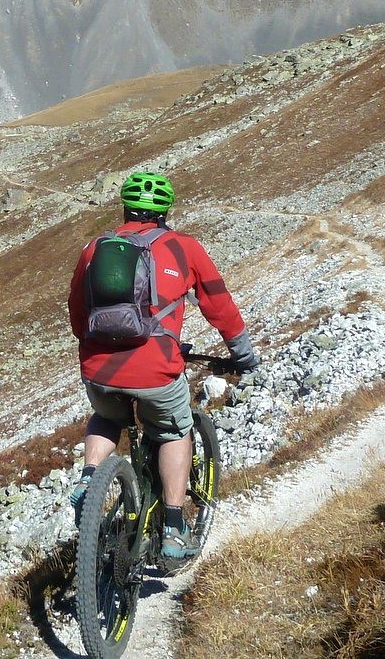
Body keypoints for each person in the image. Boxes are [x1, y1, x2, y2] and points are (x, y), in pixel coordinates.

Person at [67, 170, 258, 560]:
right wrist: (243, 355)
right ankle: (172, 526)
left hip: (98, 371)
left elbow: (77, 313)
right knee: (174, 431)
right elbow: (217, 304)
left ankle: (88, 481)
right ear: (166, 211)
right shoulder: (182, 247)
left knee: (107, 418)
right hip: (155, 370)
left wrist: (99, 346)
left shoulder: (94, 249)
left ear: (125, 208)